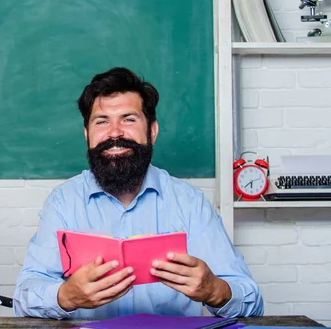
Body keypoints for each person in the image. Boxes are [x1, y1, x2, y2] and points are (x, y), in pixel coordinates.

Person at [14, 67, 263, 319]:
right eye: (102, 121)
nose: (114, 132)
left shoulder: (189, 202)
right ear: (87, 134)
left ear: (152, 131)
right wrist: (64, 296)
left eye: (128, 119)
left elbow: (252, 300)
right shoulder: (63, 202)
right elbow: (24, 297)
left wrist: (214, 290)